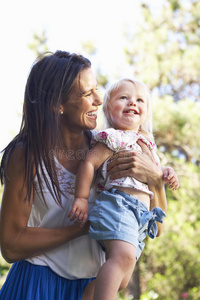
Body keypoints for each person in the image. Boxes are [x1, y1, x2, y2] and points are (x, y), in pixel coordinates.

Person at [0, 51, 178, 300]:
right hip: (38, 284)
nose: (98, 99)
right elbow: (11, 244)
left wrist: (157, 182)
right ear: (57, 104)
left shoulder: (112, 147)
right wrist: (83, 227)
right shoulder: (27, 156)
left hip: (92, 289)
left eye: (97, 89)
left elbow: (155, 227)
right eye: (86, 93)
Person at [68, 78, 178, 300]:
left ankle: (89, 295)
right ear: (108, 108)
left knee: (123, 278)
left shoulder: (146, 144)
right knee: (123, 259)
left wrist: (166, 172)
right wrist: (81, 198)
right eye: (123, 98)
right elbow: (89, 163)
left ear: (146, 112)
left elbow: (154, 170)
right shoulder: (114, 137)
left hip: (141, 216)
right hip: (119, 206)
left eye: (139, 100)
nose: (132, 103)